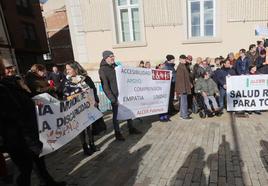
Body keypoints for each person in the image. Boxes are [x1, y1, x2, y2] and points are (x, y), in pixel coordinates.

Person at [0, 58, 66, 186]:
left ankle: (48, 182)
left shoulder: (15, 83)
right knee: (23, 170)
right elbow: (11, 112)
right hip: (18, 137)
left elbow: (25, 99)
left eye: (11, 67)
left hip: (29, 133)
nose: (10, 70)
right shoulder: (4, 87)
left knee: (39, 161)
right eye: (6, 68)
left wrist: (33, 100)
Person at [99, 50, 141, 141]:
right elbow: (105, 86)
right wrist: (112, 99)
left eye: (113, 56)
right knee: (116, 116)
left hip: (123, 94)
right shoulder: (102, 70)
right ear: (105, 58)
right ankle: (117, 133)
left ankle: (131, 128)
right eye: (111, 56)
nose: (113, 58)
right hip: (115, 97)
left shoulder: (116, 67)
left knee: (128, 112)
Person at [61, 62, 100, 155]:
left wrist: (96, 100)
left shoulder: (85, 79)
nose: (68, 71)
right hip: (75, 108)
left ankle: (92, 144)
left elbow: (93, 90)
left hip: (87, 106)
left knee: (89, 127)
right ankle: (85, 147)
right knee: (80, 128)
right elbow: (62, 93)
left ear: (76, 69)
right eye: (67, 69)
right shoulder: (66, 81)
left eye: (69, 69)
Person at [175, 55, 192, 120]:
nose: (185, 60)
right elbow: (181, 80)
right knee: (184, 102)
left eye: (185, 59)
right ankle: (184, 116)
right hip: (183, 88)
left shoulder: (183, 66)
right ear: (180, 59)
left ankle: (182, 114)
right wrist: (183, 89)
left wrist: (189, 83)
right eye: (184, 59)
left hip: (185, 87)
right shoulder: (180, 67)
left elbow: (186, 77)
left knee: (183, 101)